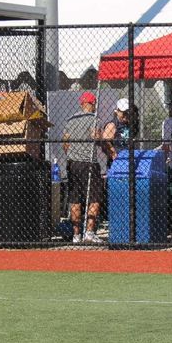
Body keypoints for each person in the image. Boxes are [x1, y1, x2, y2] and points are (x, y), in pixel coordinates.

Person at [62, 91, 103, 244]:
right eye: (94, 104)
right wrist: (102, 141)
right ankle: (90, 232)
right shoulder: (94, 119)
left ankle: (76, 235)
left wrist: (72, 154)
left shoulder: (71, 119)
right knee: (94, 198)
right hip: (89, 163)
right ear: (91, 104)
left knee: (75, 199)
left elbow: (65, 142)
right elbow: (95, 136)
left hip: (73, 163)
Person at [102, 97, 139, 161]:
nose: (126, 115)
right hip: (117, 159)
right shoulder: (112, 125)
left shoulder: (129, 124)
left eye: (127, 112)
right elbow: (105, 142)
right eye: (123, 113)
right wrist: (113, 153)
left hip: (129, 157)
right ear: (118, 111)